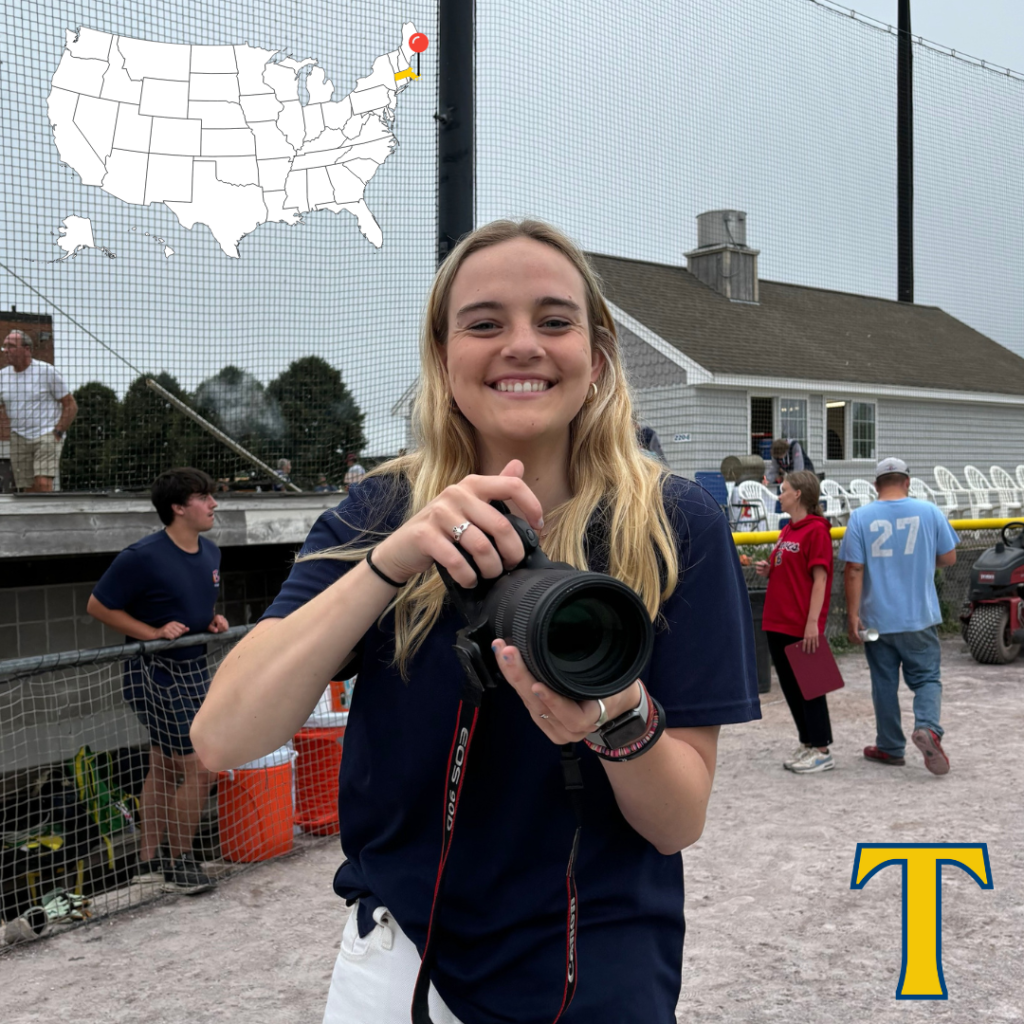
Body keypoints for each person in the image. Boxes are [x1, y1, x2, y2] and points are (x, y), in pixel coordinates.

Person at [192, 219, 761, 1024]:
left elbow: (676, 823)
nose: (521, 345)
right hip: (402, 955)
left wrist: (612, 717)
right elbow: (222, 737)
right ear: (444, 358)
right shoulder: (381, 510)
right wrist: (396, 558)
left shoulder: (673, 523)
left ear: (596, 359)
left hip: (597, 960)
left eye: (555, 321)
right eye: (485, 323)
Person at [87, 468, 229, 893]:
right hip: (155, 675)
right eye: (204, 497)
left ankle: (148, 861)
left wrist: (211, 621)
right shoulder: (142, 556)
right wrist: (151, 633)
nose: (213, 504)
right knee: (201, 769)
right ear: (178, 507)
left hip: (193, 671)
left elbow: (191, 604)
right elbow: (98, 605)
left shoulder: (211, 552)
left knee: (165, 768)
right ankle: (179, 863)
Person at [839, 457, 959, 775]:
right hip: (920, 616)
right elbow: (949, 556)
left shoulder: (861, 518)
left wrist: (852, 616)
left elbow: (853, 569)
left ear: (876, 486)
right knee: (927, 678)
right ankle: (928, 728)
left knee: (884, 682)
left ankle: (890, 747)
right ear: (907, 482)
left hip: (877, 621)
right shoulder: (930, 512)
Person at [755, 470, 835, 773]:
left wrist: (813, 622)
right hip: (777, 620)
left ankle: (822, 749)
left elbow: (820, 579)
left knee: (811, 687)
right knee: (790, 687)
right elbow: (787, 567)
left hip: (801, 624)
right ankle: (807, 742)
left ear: (798, 494)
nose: (780, 494)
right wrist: (769, 569)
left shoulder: (816, 531)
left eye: (784, 489)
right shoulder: (788, 529)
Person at [0, 330, 78, 492]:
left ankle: (49, 516)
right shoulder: (2, 377)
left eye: (11, 346)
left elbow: (70, 405)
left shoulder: (46, 371)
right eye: (4, 346)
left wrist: (57, 433)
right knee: (27, 488)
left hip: (46, 434)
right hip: (18, 437)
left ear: (27, 349)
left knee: (43, 484)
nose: (6, 350)